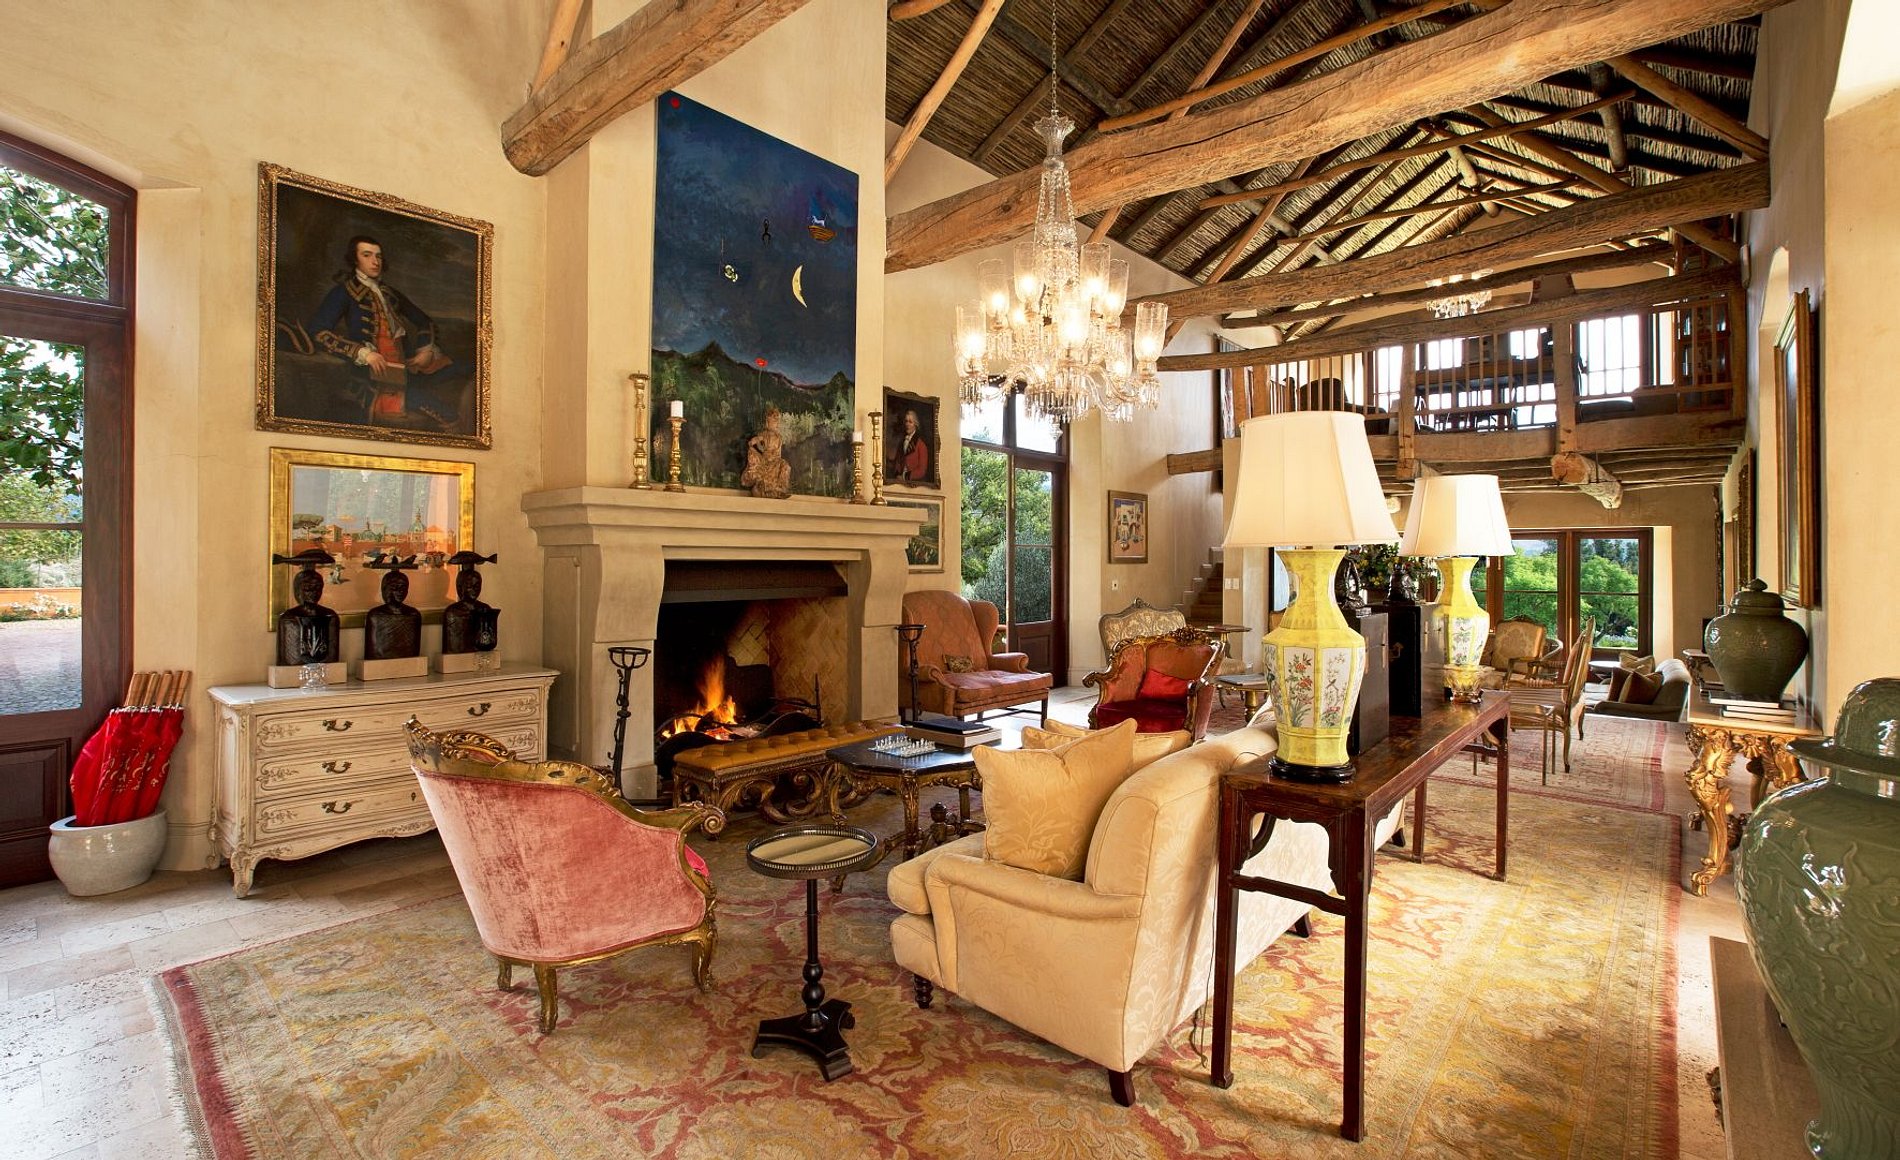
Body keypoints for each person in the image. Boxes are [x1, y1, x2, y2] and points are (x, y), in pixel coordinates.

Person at [309, 235, 450, 423]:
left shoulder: (390, 293)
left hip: (405, 373)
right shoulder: (343, 292)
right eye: (367, 255)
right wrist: (363, 353)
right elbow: (318, 332)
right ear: (355, 259)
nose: (375, 262)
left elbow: (425, 322)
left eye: (379, 256)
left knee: (452, 400)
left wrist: (426, 350)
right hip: (368, 378)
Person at [740, 405, 793, 498]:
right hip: (766, 460)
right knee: (762, 471)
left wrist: (778, 460)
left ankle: (781, 488)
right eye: (773, 422)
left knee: (786, 466)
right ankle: (766, 489)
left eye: (777, 422)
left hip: (776, 460)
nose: (776, 424)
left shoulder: (779, 437)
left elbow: (779, 452)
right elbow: (757, 439)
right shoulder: (765, 434)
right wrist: (753, 442)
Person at [890, 407, 930, 483]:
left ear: (915, 424)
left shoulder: (921, 445)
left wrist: (905, 476)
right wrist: (897, 475)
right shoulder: (902, 442)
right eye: (906, 421)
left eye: (910, 422)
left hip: (914, 483)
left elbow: (922, 470)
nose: (907, 424)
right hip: (900, 482)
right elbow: (897, 462)